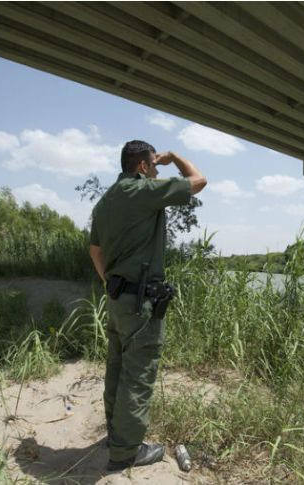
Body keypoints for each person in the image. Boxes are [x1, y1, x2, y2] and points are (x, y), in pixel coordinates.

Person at [89, 140, 207, 471]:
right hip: (140, 301)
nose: (157, 171)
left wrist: (112, 284)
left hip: (116, 299)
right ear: (142, 166)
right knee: (137, 374)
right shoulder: (142, 190)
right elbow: (199, 181)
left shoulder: (106, 200)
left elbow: (94, 251)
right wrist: (176, 158)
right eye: (154, 165)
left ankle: (116, 434)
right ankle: (126, 452)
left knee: (116, 367)